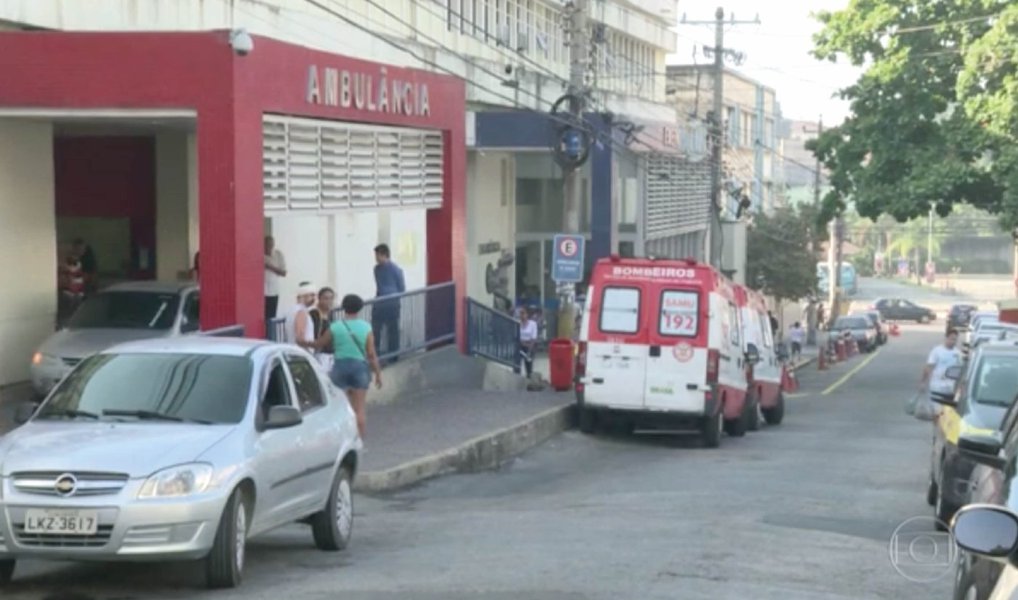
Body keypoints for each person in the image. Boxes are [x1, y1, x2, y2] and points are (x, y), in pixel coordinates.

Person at [314, 294, 382, 438]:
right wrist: (378, 374)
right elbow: (371, 353)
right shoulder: (366, 327)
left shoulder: (335, 326)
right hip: (360, 368)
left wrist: (305, 343)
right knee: (360, 409)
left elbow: (320, 343)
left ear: (344, 307)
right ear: (359, 308)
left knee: (341, 408)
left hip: (340, 367)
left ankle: (342, 439)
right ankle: (359, 441)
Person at [372, 243, 406, 361]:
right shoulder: (376, 269)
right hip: (379, 302)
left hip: (391, 303)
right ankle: (375, 354)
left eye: (378, 255)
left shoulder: (395, 269)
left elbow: (402, 287)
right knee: (376, 329)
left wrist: (392, 296)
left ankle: (393, 356)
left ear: (384, 255)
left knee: (392, 330)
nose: (376, 258)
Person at [919, 329, 962, 413]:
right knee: (936, 411)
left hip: (951, 388)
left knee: (948, 412)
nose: (953, 341)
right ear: (946, 338)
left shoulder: (958, 354)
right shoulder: (937, 351)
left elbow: (961, 371)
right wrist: (923, 382)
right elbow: (929, 367)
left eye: (955, 339)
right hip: (937, 386)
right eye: (951, 339)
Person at [284, 281, 317, 349]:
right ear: (303, 296)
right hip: (301, 353)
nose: (314, 298)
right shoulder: (301, 312)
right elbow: (299, 338)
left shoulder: (293, 309)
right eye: (311, 295)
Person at [309, 287, 336, 369]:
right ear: (319, 299)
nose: (329, 301)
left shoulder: (330, 313)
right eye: (326, 298)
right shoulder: (314, 314)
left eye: (331, 298)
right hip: (320, 353)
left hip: (330, 353)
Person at [264, 236, 287, 321]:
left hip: (273, 291)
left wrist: (270, 267)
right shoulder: (258, 254)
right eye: (266, 245)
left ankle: (270, 334)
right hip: (261, 292)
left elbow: (284, 273)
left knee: (271, 317)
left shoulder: (278, 254)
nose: (268, 247)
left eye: (271, 245)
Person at [519, 307, 538, 378]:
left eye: (523, 313)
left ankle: (529, 375)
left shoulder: (533, 324)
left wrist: (529, 347)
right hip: (520, 345)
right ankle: (517, 373)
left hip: (529, 345)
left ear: (527, 314)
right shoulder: (518, 323)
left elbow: (533, 338)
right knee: (517, 359)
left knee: (528, 359)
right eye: (520, 313)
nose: (521, 315)